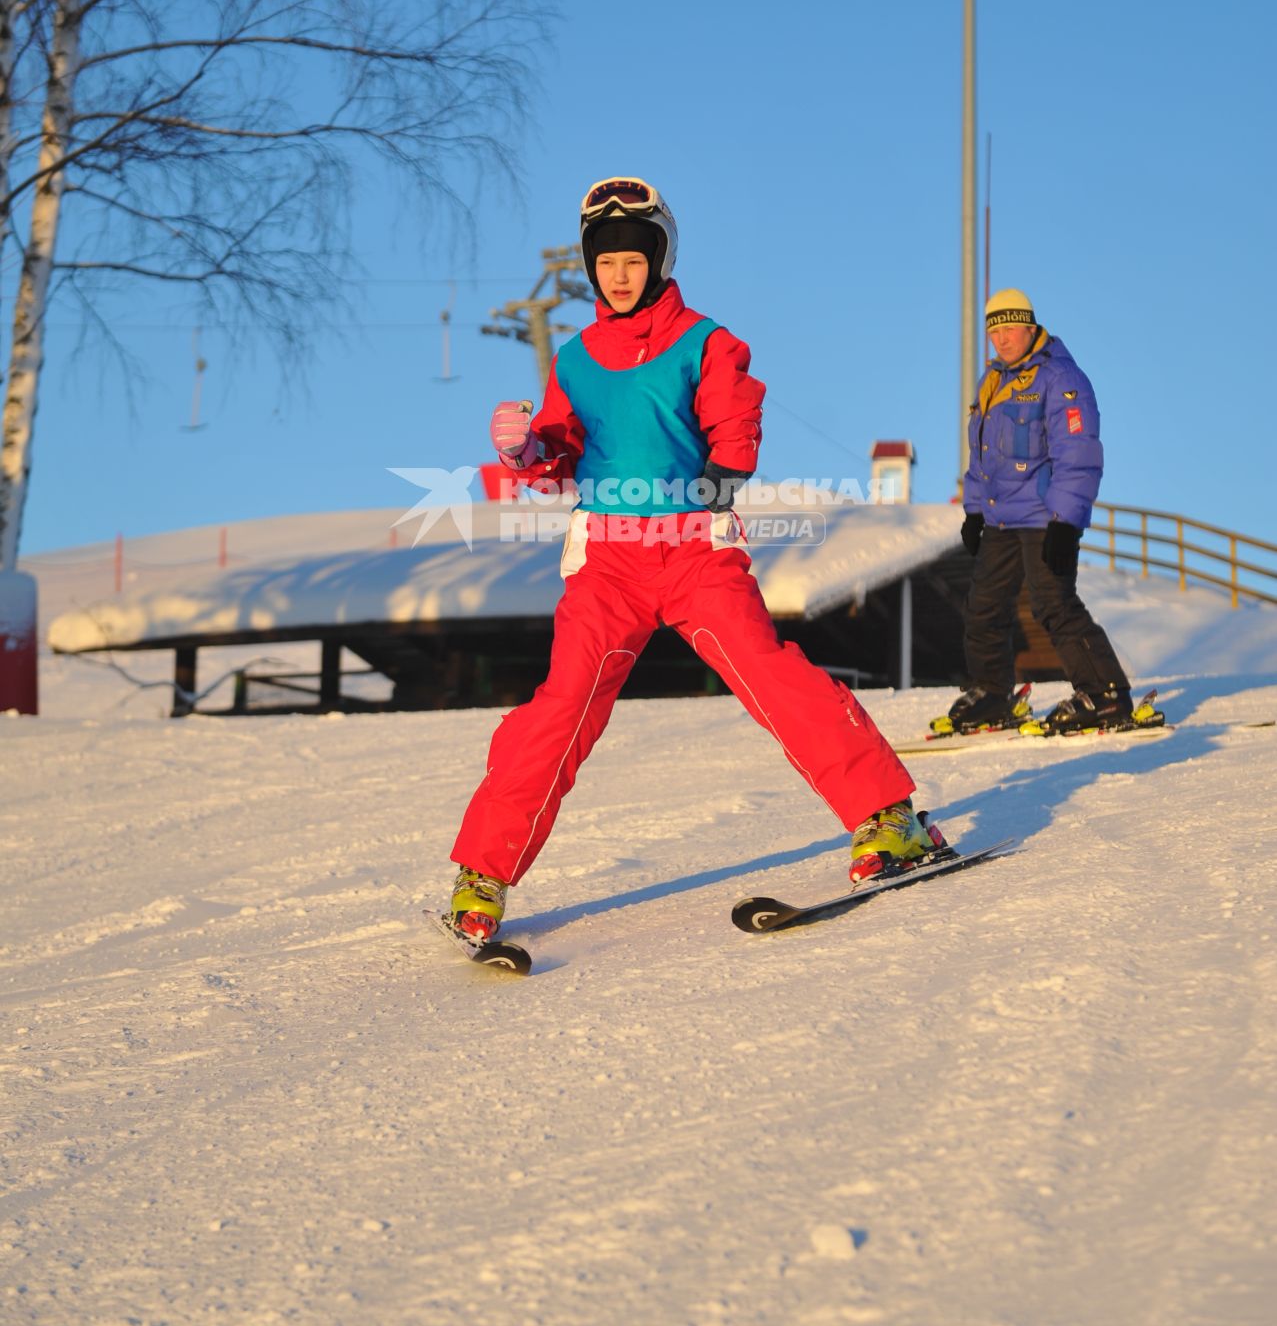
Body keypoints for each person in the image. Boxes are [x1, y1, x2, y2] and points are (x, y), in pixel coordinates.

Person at [447, 176, 946, 942]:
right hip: (606, 561)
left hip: (690, 549)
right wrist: (527, 449)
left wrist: (724, 466)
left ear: (660, 258)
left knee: (766, 671)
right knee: (562, 707)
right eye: (605, 260)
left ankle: (888, 818)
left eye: (633, 258)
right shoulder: (574, 361)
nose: (619, 274)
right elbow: (558, 454)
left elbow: (734, 411)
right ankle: (482, 874)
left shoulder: (705, 341)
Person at [939, 285, 1133, 737]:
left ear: (1029, 326)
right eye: (995, 332)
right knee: (984, 607)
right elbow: (981, 455)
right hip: (1002, 518)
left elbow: (1079, 452)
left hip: (1045, 517)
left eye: (1010, 328)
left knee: (1054, 604)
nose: (1003, 339)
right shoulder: (993, 382)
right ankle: (991, 694)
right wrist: (973, 511)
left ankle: (1106, 695)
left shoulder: (1060, 377)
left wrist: (1066, 522)